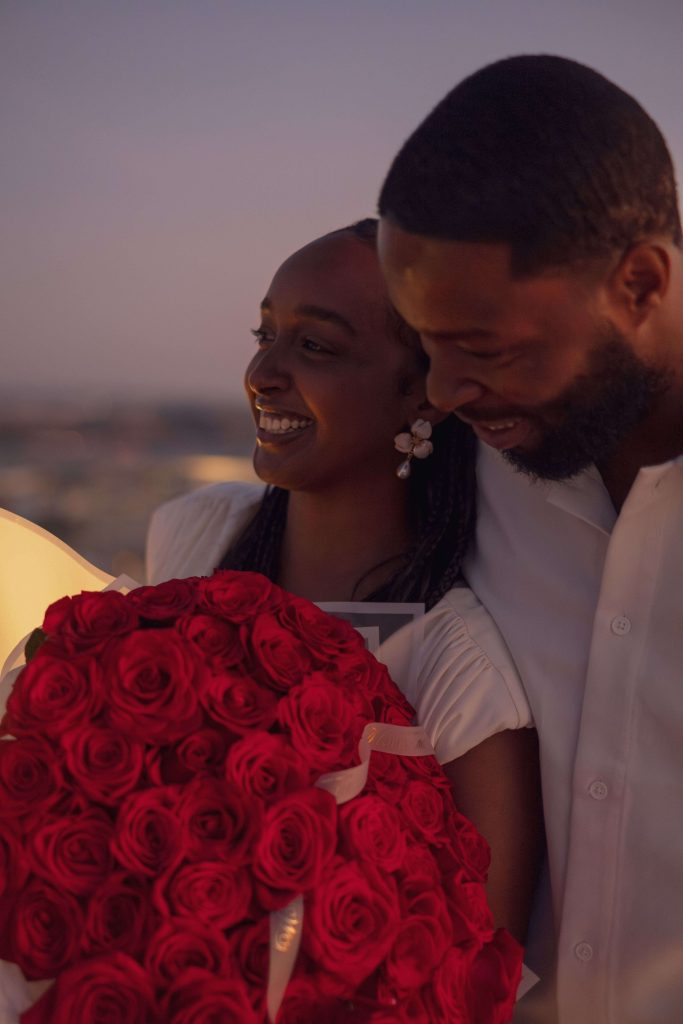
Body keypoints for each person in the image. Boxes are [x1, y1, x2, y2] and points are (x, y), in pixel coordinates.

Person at [376, 55, 683, 1024]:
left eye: (484, 348)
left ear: (637, 282)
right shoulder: (462, 467)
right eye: (425, 344)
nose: (442, 392)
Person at [147, 218, 543, 943]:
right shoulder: (194, 537)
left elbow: (477, 983)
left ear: (422, 396)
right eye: (263, 335)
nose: (261, 374)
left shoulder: (456, 673)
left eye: (315, 347)